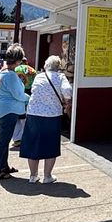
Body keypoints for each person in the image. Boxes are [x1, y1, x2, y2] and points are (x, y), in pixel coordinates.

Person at [20, 55, 72, 183]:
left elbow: (33, 90)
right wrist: (66, 101)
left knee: (33, 144)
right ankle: (47, 176)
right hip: (52, 115)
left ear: (45, 65)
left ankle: (33, 176)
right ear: (59, 67)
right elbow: (67, 91)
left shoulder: (39, 76)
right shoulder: (60, 77)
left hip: (33, 114)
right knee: (50, 145)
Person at [0, 44, 29, 180]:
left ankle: (3, 166)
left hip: (4, 109)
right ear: (17, 61)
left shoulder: (4, 72)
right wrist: (30, 98)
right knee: (3, 141)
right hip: (9, 110)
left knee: (4, 140)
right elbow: (18, 95)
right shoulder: (10, 75)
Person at [11, 58, 37, 148]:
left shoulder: (16, 69)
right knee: (25, 118)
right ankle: (26, 136)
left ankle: (17, 139)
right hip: (29, 92)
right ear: (26, 62)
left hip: (18, 92)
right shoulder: (31, 70)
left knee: (18, 118)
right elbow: (35, 78)